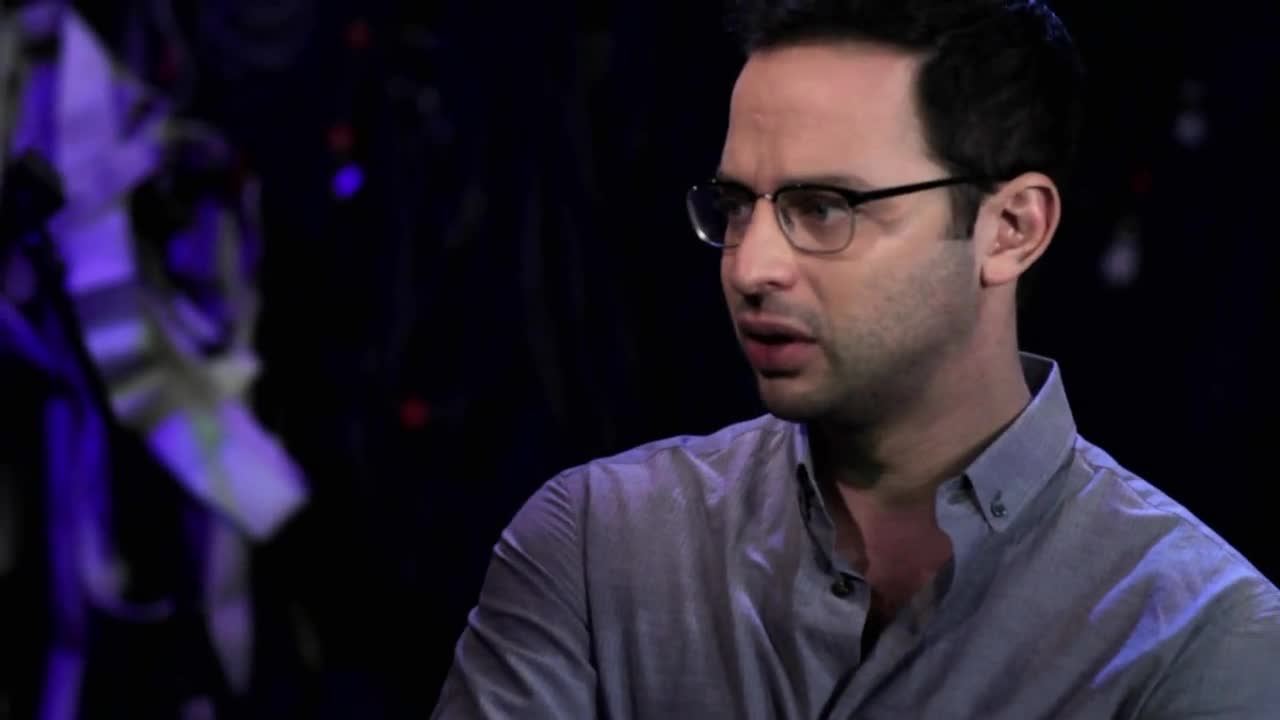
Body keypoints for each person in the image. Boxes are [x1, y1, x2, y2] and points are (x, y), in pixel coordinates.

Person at [431, 1, 1280, 717]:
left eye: (824, 207)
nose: (751, 266)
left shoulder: (1198, 635)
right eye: (737, 204)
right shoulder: (597, 544)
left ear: (1010, 230)